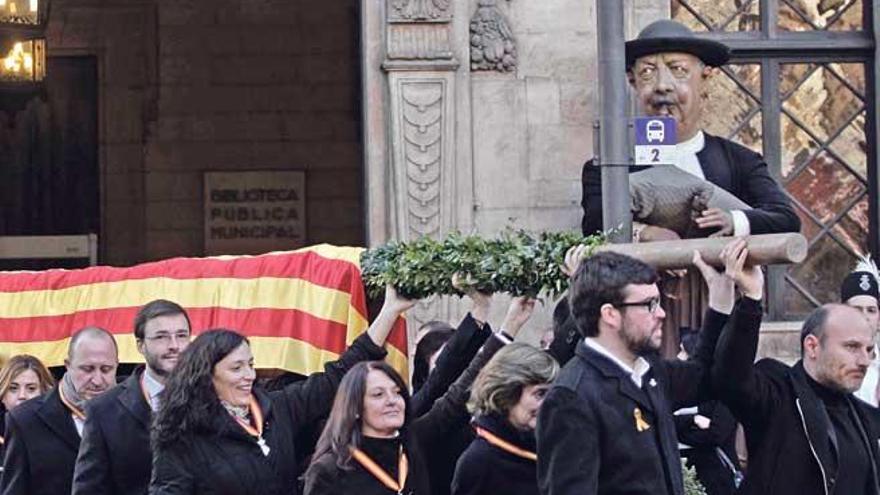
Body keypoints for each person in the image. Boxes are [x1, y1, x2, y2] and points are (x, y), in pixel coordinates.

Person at [580, 18, 799, 355]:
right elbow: (593, 225)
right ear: (632, 82)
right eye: (649, 73)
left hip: (718, 315)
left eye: (678, 71)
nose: (663, 86)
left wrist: (734, 221)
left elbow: (785, 219)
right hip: (636, 325)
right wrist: (644, 234)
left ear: (705, 79)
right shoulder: (606, 167)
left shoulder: (739, 161)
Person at [536, 239, 764, 495]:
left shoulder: (648, 372)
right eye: (649, 305)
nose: (662, 314)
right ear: (610, 314)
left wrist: (732, 302)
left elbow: (707, 379)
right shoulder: (571, 397)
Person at [148, 286, 410, 495]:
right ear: (207, 375)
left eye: (250, 365)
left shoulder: (277, 408)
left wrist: (390, 311)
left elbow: (337, 376)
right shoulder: (182, 435)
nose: (249, 376)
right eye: (236, 368)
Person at [303, 296, 535, 495]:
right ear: (353, 407)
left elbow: (457, 396)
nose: (392, 400)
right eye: (378, 394)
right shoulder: (329, 471)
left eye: (396, 392)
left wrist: (509, 327)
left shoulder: (413, 443)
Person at [714, 301, 880, 495]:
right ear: (812, 346)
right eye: (852, 347)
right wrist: (750, 302)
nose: (864, 361)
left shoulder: (862, 417)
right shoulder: (777, 394)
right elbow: (731, 378)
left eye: (869, 350)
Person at [73, 299, 192, 495]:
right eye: (161, 337)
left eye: (181, 335)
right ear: (140, 345)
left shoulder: (212, 399)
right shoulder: (104, 410)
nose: (174, 345)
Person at [1, 327, 118, 495]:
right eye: (88, 369)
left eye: (106, 369)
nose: (98, 380)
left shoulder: (133, 411)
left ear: (117, 365)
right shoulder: (25, 421)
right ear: (68, 365)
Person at [451, 343, 559, 495]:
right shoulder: (479, 461)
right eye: (540, 394)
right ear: (508, 393)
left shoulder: (552, 448)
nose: (550, 404)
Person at [674, 331, 740, 495]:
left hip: (717, 477)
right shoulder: (679, 389)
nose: (678, 357)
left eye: (683, 351)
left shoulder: (723, 391)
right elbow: (667, 421)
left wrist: (679, 429)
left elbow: (715, 433)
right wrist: (693, 420)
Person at [0, 355, 55, 463]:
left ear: (45, 393)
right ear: (2, 395)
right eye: (13, 388)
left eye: (31, 388)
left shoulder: (60, 435)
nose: (22, 396)